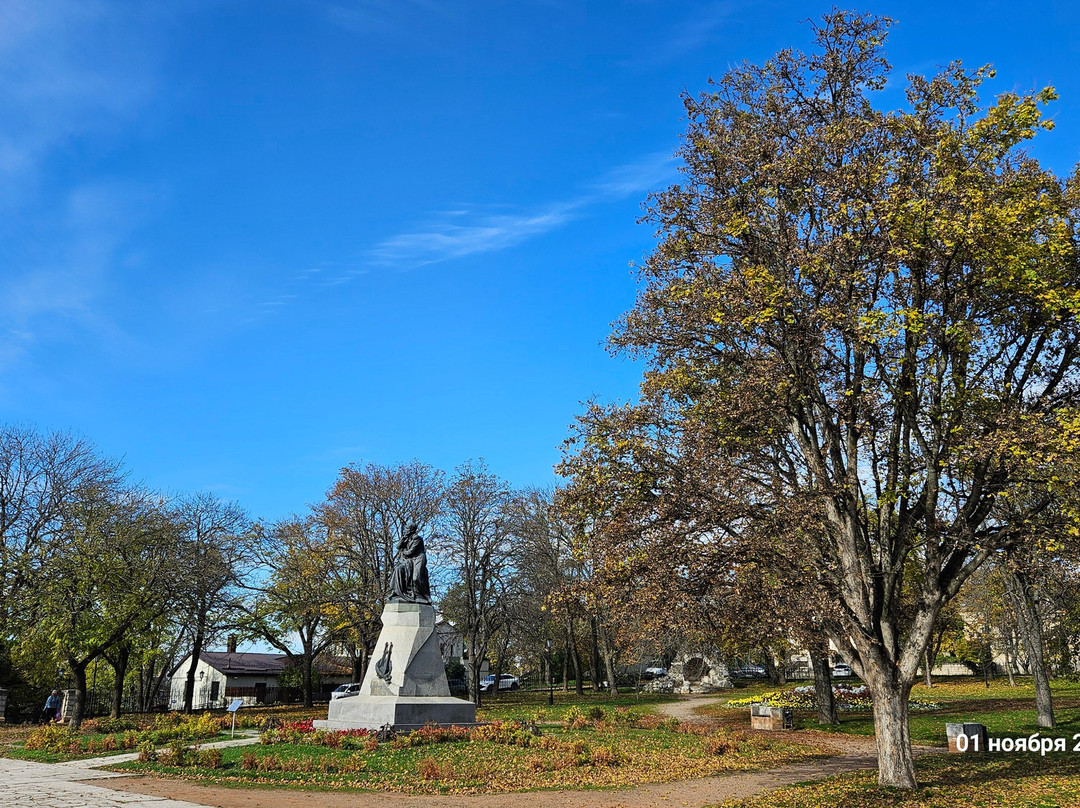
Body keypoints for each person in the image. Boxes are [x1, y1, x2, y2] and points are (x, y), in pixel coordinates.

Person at [388, 523, 431, 604]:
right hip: (409, 560)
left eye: (407, 529)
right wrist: (403, 539)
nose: (405, 531)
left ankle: (423, 596)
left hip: (418, 558)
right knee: (398, 569)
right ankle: (397, 592)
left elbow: (410, 552)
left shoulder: (417, 538)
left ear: (412, 530)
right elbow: (398, 546)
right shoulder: (406, 538)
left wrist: (403, 552)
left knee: (416, 578)